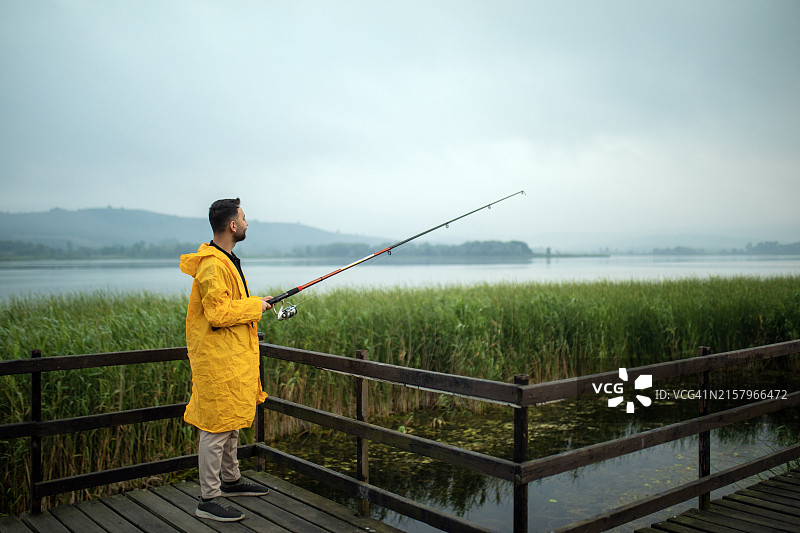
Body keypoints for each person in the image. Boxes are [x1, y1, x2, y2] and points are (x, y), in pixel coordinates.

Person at [179, 198, 273, 522]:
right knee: (215, 428)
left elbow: (229, 304)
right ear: (232, 225)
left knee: (231, 422)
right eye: (244, 218)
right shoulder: (212, 264)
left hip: (232, 358)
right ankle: (208, 496)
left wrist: (256, 303)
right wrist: (254, 307)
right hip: (216, 361)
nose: (247, 223)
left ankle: (231, 480)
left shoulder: (226, 259)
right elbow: (218, 314)